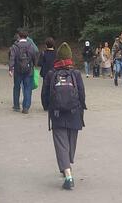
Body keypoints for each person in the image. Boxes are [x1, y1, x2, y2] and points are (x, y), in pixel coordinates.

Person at [41, 42, 86, 190]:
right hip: (74, 113)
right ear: (70, 58)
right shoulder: (76, 74)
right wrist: (81, 109)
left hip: (57, 114)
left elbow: (45, 96)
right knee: (70, 143)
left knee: (61, 144)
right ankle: (67, 165)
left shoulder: (51, 74)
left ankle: (68, 175)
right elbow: (81, 95)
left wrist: (48, 107)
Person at [9, 29, 39, 113]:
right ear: (27, 36)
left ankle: (16, 106)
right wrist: (34, 65)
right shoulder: (31, 46)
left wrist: (11, 69)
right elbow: (34, 56)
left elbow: (12, 58)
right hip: (29, 70)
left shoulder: (15, 46)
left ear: (19, 36)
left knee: (16, 87)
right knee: (27, 88)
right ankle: (26, 107)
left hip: (18, 70)